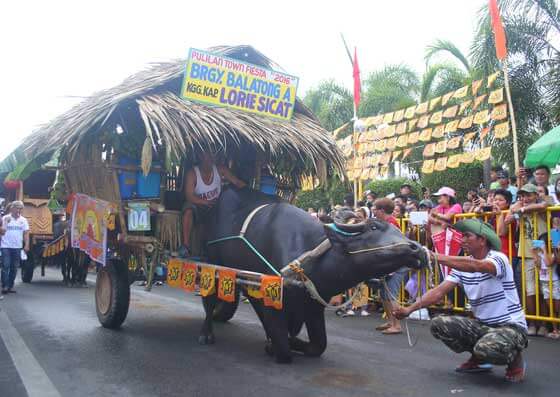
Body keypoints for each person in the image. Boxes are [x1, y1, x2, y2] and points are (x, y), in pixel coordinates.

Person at [394, 219, 528, 382]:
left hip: (511, 327)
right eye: (462, 236)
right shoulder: (463, 265)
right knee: (439, 324)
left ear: (482, 240)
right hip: (483, 325)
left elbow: (476, 266)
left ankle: (515, 361)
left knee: (487, 348)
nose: (462, 240)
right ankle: (479, 359)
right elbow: (438, 292)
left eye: (467, 236)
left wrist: (434, 256)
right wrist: (409, 309)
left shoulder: (499, 258)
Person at [180, 152, 246, 257]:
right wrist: (205, 202)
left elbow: (237, 182)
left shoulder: (220, 170)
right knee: (188, 210)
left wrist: (249, 191)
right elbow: (189, 196)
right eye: (207, 156)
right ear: (201, 157)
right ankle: (186, 246)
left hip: (215, 207)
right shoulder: (192, 173)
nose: (210, 159)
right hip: (198, 205)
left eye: (212, 157)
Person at [509, 183, 551, 336]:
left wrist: (524, 209)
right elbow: (510, 214)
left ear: (536, 195)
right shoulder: (518, 206)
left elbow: (545, 205)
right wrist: (519, 207)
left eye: (529, 195)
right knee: (530, 290)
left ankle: (546, 324)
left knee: (545, 290)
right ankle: (533, 322)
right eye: (523, 195)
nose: (526, 198)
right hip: (526, 253)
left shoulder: (545, 202)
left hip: (543, 253)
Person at [372, 198, 408, 334]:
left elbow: (394, 245)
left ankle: (397, 325)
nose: (373, 211)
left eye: (375, 208)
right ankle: (390, 321)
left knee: (391, 294)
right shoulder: (385, 222)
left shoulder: (391, 223)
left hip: (397, 263)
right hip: (390, 263)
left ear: (381, 210)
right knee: (384, 294)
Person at [532, 233, 560, 339]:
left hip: (554, 282)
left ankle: (558, 328)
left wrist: (544, 249)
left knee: (557, 307)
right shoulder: (540, 253)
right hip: (544, 282)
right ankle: (555, 330)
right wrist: (534, 253)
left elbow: (548, 263)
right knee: (551, 308)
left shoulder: (553, 253)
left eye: (543, 242)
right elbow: (538, 266)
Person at [1, 201, 30, 294]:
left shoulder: (23, 220)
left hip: (17, 247)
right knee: (6, 266)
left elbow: (26, 234)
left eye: (20, 208)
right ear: (12, 208)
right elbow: (2, 232)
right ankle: (5, 286)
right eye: (17, 208)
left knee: (14, 267)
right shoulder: (5, 218)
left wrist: (26, 245)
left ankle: (10, 286)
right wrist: (5, 223)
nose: (18, 210)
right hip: (5, 246)